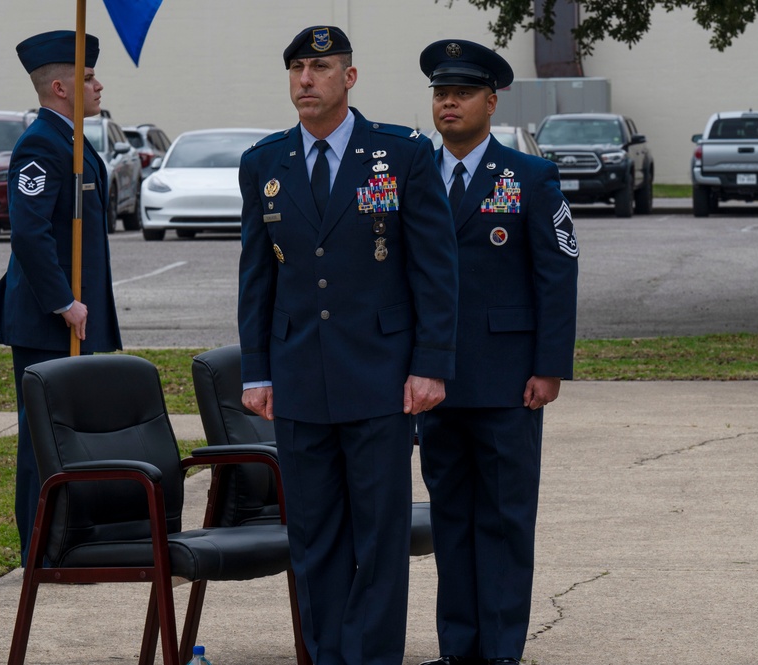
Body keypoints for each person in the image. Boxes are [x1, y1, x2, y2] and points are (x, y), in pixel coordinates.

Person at [237, 25, 459, 665]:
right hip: (299, 376)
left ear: (350, 78)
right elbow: (257, 275)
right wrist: (258, 371)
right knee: (314, 535)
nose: (305, 79)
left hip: (381, 375)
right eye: (297, 68)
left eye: (321, 66)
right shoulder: (265, 161)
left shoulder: (404, 154)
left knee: (380, 534)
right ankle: (329, 654)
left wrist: (431, 364)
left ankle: (373, 656)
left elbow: (435, 269)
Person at [416, 39, 579, 665]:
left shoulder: (529, 176)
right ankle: (459, 649)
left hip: (509, 380)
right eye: (439, 92)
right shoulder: (413, 174)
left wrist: (549, 365)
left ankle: (502, 651)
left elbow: (557, 271)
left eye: (460, 92)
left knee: (506, 520)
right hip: (436, 379)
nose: (448, 102)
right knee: (451, 519)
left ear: (491, 100)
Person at [0, 30, 122, 565]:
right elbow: (29, 233)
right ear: (59, 87)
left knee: (70, 435)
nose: (98, 85)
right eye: (87, 78)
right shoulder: (41, 144)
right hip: (48, 321)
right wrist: (64, 302)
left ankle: (72, 534)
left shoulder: (75, 142)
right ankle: (42, 547)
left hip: (74, 318)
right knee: (42, 442)